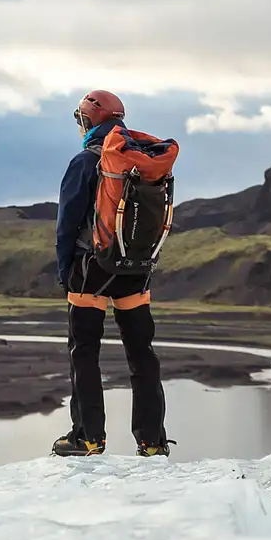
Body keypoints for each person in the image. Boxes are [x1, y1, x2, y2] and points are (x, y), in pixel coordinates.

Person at [51, 89, 174, 458]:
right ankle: (152, 441)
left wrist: (65, 271)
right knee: (141, 352)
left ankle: (87, 437)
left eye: (80, 119)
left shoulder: (87, 161)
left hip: (91, 269)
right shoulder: (143, 158)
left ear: (89, 121)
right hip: (136, 269)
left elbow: (67, 224)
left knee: (85, 351)